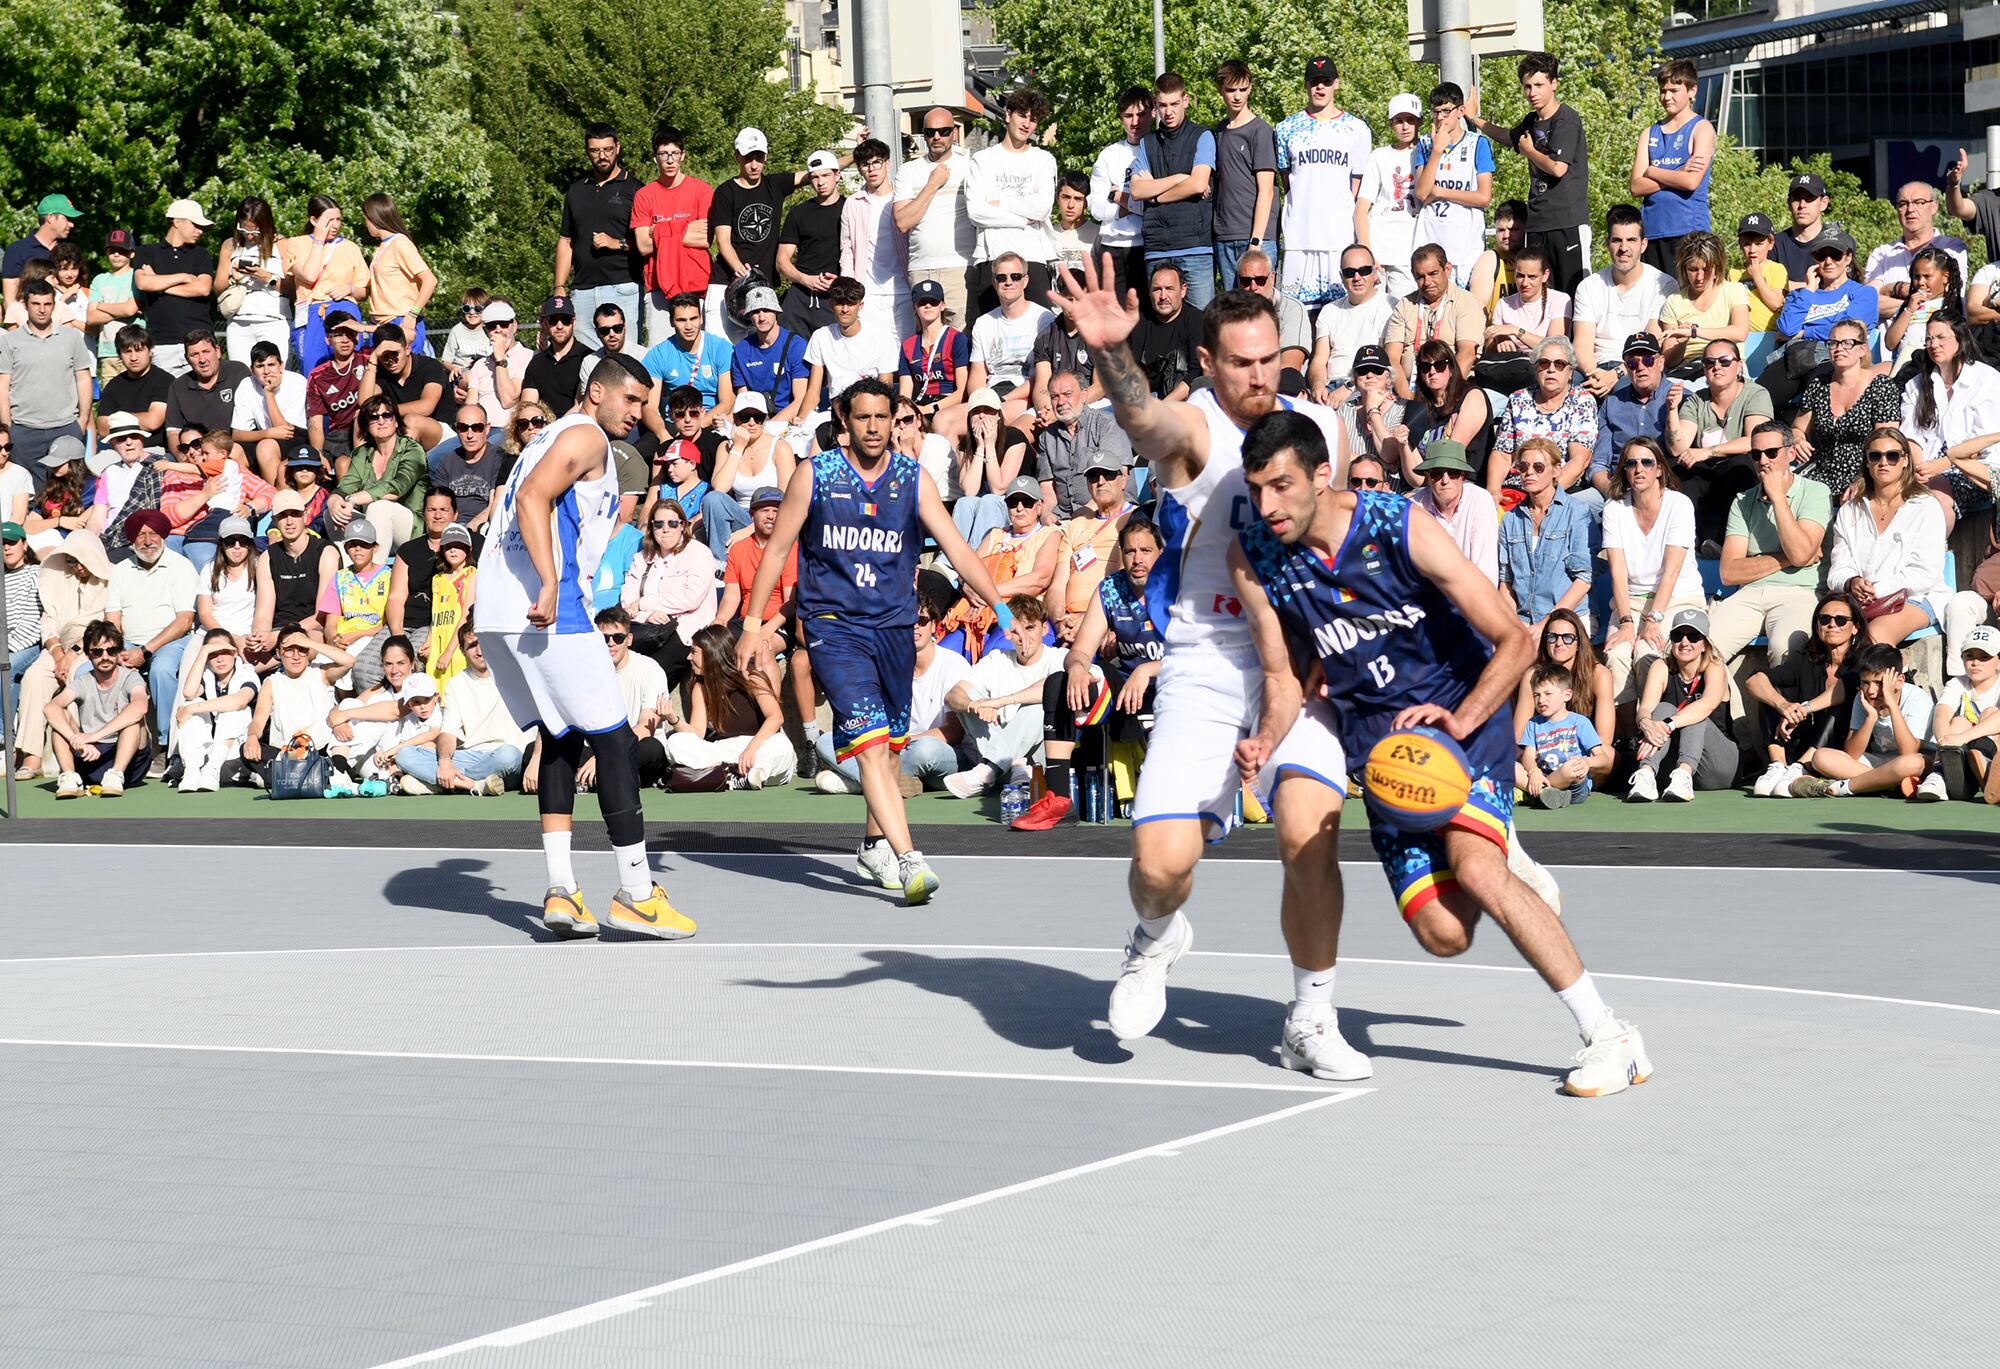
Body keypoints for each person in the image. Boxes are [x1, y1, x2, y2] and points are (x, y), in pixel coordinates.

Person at [1229, 407, 1641, 1093]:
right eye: (1256, 489)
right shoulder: (1259, 554)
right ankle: (1495, 850)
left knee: (1477, 871)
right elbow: (1284, 673)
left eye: (1282, 486)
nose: (1267, 505)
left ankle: (1609, 1033)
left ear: (1323, 475)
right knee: (1444, 934)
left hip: (1461, 722)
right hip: (1388, 759)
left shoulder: (1398, 526)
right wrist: (1266, 739)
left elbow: (1516, 638)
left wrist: (1463, 714)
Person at [1051, 262, 1363, 1072]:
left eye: (1268, 359)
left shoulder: (1320, 425)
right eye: (1240, 362)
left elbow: (1349, 540)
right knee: (1159, 866)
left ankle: (1311, 1017)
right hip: (1208, 659)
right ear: (1209, 362)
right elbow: (1145, 421)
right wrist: (1115, 355)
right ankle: (1155, 936)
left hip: (1299, 660)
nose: (1258, 374)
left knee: (1308, 834)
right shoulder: (1197, 429)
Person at [737, 378, 1013, 903]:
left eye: (881, 418)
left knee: (888, 749)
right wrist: (753, 627)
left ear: (895, 421)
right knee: (867, 743)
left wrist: (1000, 606)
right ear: (845, 418)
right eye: (861, 417)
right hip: (833, 627)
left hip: (892, 629)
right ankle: (910, 857)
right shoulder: (815, 474)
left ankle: (871, 845)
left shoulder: (913, 479)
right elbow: (775, 552)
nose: (872, 427)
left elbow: (957, 547)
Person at [477, 349, 694, 935]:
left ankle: (561, 891)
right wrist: (550, 582)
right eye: (631, 399)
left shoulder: (544, 436)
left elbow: (518, 502)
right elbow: (530, 500)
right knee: (618, 742)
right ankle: (636, 892)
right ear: (595, 392)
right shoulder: (587, 438)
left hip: (497, 610)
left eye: (645, 404)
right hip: (549, 611)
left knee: (561, 736)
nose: (637, 412)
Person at [1012, 513, 1168, 829]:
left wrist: (1148, 670)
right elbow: (1081, 649)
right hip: (1126, 695)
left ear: (1160, 554)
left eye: (1146, 551)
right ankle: (1059, 800)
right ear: (1121, 555)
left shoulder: (1178, 588)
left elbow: (1197, 656)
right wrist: (1079, 668)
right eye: (1130, 551)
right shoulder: (1110, 588)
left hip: (1174, 688)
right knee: (1059, 681)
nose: (1137, 559)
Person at [1828, 427, 1986, 660]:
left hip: (1918, 596)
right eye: (1875, 456)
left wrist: (1877, 589)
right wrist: (1852, 582)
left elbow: (1924, 575)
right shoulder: (1851, 510)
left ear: (1905, 461)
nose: (1884, 462)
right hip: (1862, 598)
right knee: (1829, 634)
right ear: (1867, 463)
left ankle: (1889, 692)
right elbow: (1838, 569)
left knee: (1875, 635)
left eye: (1892, 456)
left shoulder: (1925, 506)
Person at [815, 583, 970, 797]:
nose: (915, 627)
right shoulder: (888, 664)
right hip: (896, 749)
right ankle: (895, 783)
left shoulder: (953, 663)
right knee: (827, 741)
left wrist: (905, 743)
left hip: (941, 752)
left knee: (925, 750)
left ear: (934, 625)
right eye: (908, 622)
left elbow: (954, 732)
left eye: (922, 621)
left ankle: (862, 782)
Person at [1710, 422, 1830, 681]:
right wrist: (1791, 558)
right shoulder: (1743, 501)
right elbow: (1729, 572)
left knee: (1786, 650)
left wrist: (1777, 498)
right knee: (1704, 648)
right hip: (1750, 593)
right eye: (1756, 454)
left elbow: (1801, 551)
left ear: (1791, 453)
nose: (1763, 460)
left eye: (1771, 453)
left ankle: (1785, 715)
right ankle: (1722, 716)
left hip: (1799, 592)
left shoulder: (1816, 492)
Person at [1466, 53, 1589, 294]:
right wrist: (1474, 119)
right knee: (1537, 293)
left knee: (1573, 292)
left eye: (1539, 85)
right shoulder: (1531, 121)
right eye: (1527, 86)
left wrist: (1530, 151)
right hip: (1537, 223)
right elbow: (1509, 137)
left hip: (1567, 222)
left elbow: (1557, 168)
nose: (1532, 92)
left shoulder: (1567, 119)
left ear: (1554, 84)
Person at [1601, 436, 1705, 699]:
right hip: (1632, 602)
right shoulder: (1614, 507)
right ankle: (1626, 737)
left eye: (1647, 462)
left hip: (1677, 600)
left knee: (1648, 653)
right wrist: (1626, 622)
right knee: (1616, 656)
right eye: (1631, 463)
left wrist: (1653, 620)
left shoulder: (1678, 504)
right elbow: (1618, 571)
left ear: (1659, 468)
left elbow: (1671, 572)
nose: (1639, 469)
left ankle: (1651, 728)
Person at [940, 594, 1064, 796]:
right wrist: (975, 705)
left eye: (1030, 628)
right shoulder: (998, 659)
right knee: (966, 699)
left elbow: (1053, 686)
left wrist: (998, 702)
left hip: (1039, 755)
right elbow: (953, 695)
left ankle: (988, 770)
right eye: (1015, 631)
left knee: (1038, 704)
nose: (1023, 637)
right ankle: (1012, 763)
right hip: (1012, 759)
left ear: (1045, 628)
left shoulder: (1059, 657)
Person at [1744, 588, 1863, 797]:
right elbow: (1755, 680)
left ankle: (1802, 766)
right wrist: (1784, 706)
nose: (1832, 624)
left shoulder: (1863, 659)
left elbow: (1846, 688)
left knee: (1845, 703)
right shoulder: (1806, 659)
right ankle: (1778, 766)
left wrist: (1804, 709)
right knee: (1772, 693)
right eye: (1824, 619)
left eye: (1841, 620)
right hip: (1799, 740)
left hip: (1841, 748)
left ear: (1855, 627)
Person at [1274, 55, 1371, 308]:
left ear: (1336, 84)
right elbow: (1288, 181)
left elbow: (1356, 185)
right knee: (1296, 314)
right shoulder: (1285, 128)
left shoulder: (1357, 128)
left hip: (1338, 236)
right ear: (1306, 85)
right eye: (1314, 81)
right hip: (1299, 237)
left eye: (1326, 81)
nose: (1320, 87)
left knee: (1340, 312)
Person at [1789, 641, 1935, 799]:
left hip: (1917, 760)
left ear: (1899, 681)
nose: (1871, 691)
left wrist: (1892, 706)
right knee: (1820, 757)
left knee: (1911, 763)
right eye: (1865, 683)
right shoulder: (1862, 697)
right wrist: (1870, 718)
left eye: (1879, 683)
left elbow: (1909, 752)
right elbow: (1852, 753)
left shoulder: (1917, 698)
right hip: (1883, 763)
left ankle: (1844, 787)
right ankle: (1891, 785)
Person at [104, 508, 198, 753]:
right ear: (132, 539)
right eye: (140, 535)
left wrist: (145, 651)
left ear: (163, 535)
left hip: (173, 641)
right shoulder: (121, 570)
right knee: (88, 669)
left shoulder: (181, 566)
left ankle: (166, 745)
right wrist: (118, 650)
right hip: (129, 643)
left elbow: (185, 621)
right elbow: (112, 619)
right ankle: (104, 743)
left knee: (162, 670)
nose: (147, 541)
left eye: (153, 533)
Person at [664, 622, 797, 788]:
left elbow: (776, 717)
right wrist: (674, 719)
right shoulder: (700, 686)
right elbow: (697, 733)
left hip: (759, 745)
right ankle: (731, 776)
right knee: (676, 742)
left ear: (711, 654)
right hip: (724, 751)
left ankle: (735, 776)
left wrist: (751, 749)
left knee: (782, 746)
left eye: (694, 652)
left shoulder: (751, 677)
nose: (688, 658)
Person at [1668, 337, 1773, 545]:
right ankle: (1686, 542)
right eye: (1709, 362)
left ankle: (1731, 542)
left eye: (1725, 361)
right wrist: (1672, 410)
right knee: (1678, 467)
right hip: (1707, 472)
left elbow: (1755, 441)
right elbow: (1678, 447)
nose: (1717, 367)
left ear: (1738, 365)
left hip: (1737, 469)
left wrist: (1708, 452)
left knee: (1740, 465)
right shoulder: (1697, 400)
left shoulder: (1756, 394)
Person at [705, 127, 806, 341]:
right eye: (748, 158)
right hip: (727, 283)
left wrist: (856, 154)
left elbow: (817, 171)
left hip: (762, 287)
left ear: (766, 157)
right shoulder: (725, 192)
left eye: (759, 158)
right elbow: (723, 242)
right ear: (737, 157)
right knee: (720, 353)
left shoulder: (774, 185)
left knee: (758, 352)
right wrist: (743, 273)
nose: (754, 164)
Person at [1127, 72, 1218, 309]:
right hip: (1157, 248)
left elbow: (1198, 184)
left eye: (1175, 104)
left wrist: (1156, 195)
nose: (1169, 112)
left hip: (1195, 247)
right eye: (1163, 105)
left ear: (1185, 101)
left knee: (1202, 324)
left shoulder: (1202, 136)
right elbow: (1136, 190)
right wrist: (1180, 179)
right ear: (1155, 106)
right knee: (1161, 326)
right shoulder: (1148, 142)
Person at [1764, 228, 1879, 412]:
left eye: (1835, 255)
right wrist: (1809, 288)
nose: (1828, 261)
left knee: (1818, 398)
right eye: (1821, 255)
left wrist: (1804, 332)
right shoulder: (1801, 295)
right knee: (1761, 399)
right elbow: (1786, 330)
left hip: (1832, 357)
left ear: (1848, 258)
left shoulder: (1863, 293)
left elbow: (1847, 332)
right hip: (1794, 356)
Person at [965, 88, 1059, 314]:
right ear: (1008, 115)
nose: (1027, 124)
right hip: (990, 258)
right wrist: (1022, 219)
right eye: (1022, 115)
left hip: (1033, 258)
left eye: (1033, 119)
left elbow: (1042, 207)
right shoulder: (983, 160)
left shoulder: (1043, 160)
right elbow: (976, 212)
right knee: (992, 334)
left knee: (1041, 332)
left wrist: (999, 202)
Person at [1900, 312, 2000, 524]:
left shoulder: (1987, 380)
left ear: (1959, 339)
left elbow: (1983, 443)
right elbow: (1911, 435)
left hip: (1974, 469)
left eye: (1940, 337)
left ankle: (1929, 554)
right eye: (1928, 339)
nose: (1933, 344)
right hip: (1924, 468)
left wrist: (1941, 466)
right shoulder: (1916, 385)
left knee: (1936, 495)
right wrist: (1920, 468)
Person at [1626, 607, 1734, 801]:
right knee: (1662, 708)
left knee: (1694, 713)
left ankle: (1684, 774)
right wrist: (1646, 724)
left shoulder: (1714, 666)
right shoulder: (1661, 667)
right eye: (1678, 636)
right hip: (1670, 767)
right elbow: (1645, 709)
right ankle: (1647, 774)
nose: (1685, 642)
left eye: (1693, 637)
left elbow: (1707, 705)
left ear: (1705, 644)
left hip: (1717, 765)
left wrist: (1667, 724)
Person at [407, 626, 528, 794]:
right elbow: (448, 733)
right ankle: (473, 785)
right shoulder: (455, 684)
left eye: (483, 643)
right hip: (471, 757)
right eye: (472, 645)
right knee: (405, 755)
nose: (479, 651)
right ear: (462, 650)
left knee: (508, 755)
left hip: (508, 759)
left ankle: (442, 784)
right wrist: (444, 762)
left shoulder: (515, 673)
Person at [1790, 318, 1903, 498]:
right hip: (1822, 470)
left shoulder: (1881, 386)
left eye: (1847, 343)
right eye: (1833, 343)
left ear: (1862, 349)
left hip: (1866, 473)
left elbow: (1886, 442)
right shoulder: (1819, 384)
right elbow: (1797, 427)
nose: (1839, 348)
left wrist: (1864, 480)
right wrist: (1797, 440)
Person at [1571, 205, 1674, 398]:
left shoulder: (1663, 285)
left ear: (1643, 244)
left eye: (1631, 240)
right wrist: (1594, 376)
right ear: (1607, 243)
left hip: (1636, 367)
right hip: (1594, 368)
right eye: (1617, 240)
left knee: (1628, 389)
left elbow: (1650, 345)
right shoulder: (1588, 286)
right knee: (1566, 386)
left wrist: (1616, 374)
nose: (1624, 248)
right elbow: (1582, 343)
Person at [553, 124, 640, 352]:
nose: (602, 156)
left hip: (624, 286)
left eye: (608, 149)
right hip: (582, 290)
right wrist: (560, 287)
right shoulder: (575, 191)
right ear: (587, 151)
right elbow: (566, 241)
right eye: (595, 150)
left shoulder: (636, 189)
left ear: (618, 148)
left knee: (626, 358)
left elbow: (648, 242)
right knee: (587, 360)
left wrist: (615, 243)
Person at [629, 126, 714, 350]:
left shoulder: (702, 191)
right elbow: (643, 245)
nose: (669, 160)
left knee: (699, 351)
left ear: (683, 155)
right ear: (655, 157)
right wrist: (687, 229)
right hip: (658, 287)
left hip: (696, 285)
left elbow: (706, 238)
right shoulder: (644, 195)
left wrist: (659, 230)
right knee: (660, 353)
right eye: (663, 154)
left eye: (674, 153)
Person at [47, 618, 152, 797]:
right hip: (90, 756)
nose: (105, 657)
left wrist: (94, 736)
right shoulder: (82, 681)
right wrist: (76, 739)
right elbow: (51, 708)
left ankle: (115, 775)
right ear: (88, 655)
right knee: (59, 721)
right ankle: (69, 777)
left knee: (134, 721)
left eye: (111, 650)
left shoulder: (131, 678)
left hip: (127, 762)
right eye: (97, 652)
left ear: (119, 652)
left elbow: (140, 707)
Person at [1, 276, 96, 472]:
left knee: (68, 494)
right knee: (29, 495)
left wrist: (82, 421)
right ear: (25, 305)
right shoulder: (10, 341)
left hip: (66, 427)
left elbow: (83, 379)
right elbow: (3, 385)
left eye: (47, 304)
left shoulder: (71, 338)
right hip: (24, 430)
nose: (42, 309)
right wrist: (8, 426)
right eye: (36, 304)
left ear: (54, 306)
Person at [620, 494, 717, 686]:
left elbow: (691, 598)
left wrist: (643, 603)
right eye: (659, 524)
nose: (665, 530)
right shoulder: (642, 557)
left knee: (651, 678)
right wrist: (646, 615)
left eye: (672, 523)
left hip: (685, 631)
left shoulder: (698, 552)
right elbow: (627, 600)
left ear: (682, 525)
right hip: (648, 627)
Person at [238, 630, 354, 789]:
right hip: (288, 754)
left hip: (321, 750)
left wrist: (310, 643)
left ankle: (288, 778)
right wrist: (252, 737)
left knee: (345, 736)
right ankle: (320, 778)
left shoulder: (321, 673)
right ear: (278, 653)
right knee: (246, 750)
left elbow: (348, 661)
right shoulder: (272, 682)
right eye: (289, 650)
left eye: (301, 649)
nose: (296, 656)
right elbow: (258, 720)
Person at [1498, 436, 1592, 630]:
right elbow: (1506, 581)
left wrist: (1546, 623)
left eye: (1538, 467)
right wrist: (1513, 625)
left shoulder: (1576, 512)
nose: (1529, 472)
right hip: (1523, 618)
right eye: (1523, 467)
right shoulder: (1510, 519)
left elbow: (1584, 579)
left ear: (1556, 470)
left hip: (1568, 616)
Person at [1630, 60, 1714, 273]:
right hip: (1652, 232)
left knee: (1686, 300)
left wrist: (1653, 171)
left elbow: (1691, 181)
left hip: (1688, 232)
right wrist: (1678, 171)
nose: (1667, 97)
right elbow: (1636, 187)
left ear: (1692, 90)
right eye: (1663, 91)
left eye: (1674, 90)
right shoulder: (1649, 133)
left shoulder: (1701, 128)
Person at [894, 109, 976, 325]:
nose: (937, 137)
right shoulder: (908, 170)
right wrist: (932, 184)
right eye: (930, 132)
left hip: (961, 267)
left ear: (954, 133)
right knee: (925, 343)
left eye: (944, 131)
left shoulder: (970, 167)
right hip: (922, 267)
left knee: (960, 340)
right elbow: (902, 222)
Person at [1513, 608, 1614, 777]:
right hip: (1542, 756)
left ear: (1579, 643)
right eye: (1552, 637)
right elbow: (1518, 737)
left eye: (1567, 638)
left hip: (1581, 758)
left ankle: (1550, 786)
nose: (1559, 643)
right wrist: (1532, 760)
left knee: (1608, 754)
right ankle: (1546, 788)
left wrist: (1580, 761)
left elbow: (1604, 740)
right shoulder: (1533, 675)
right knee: (1510, 756)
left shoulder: (1599, 674)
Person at [1412, 82, 1495, 288]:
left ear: (1460, 111)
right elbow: (1422, 192)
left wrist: (1440, 192)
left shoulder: (1478, 144)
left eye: (1446, 111)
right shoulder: (1425, 144)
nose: (1440, 117)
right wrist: (1437, 150)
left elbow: (1484, 197)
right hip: (1432, 240)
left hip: (1467, 246)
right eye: (1436, 112)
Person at [1492, 337, 1596, 497]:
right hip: (1517, 488)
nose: (1551, 369)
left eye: (1559, 364)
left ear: (1570, 373)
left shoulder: (1582, 401)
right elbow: (1502, 453)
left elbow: (1579, 461)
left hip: (1561, 489)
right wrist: (1493, 492)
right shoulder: (1519, 399)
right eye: (1544, 363)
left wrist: (1544, 495)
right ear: (1536, 370)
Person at [328, 395, 429, 553]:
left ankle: (375, 573)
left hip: (409, 529)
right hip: (371, 524)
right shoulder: (362, 453)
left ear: (396, 422)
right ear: (366, 425)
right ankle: (347, 568)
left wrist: (353, 499)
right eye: (373, 417)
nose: (381, 421)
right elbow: (346, 486)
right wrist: (334, 500)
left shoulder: (412, 450)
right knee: (332, 513)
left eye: (387, 415)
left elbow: (397, 488)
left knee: (379, 507)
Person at [1386, 340, 1493, 485]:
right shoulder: (1418, 409)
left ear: (1451, 369)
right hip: (1430, 487)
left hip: (1464, 483)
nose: (1432, 371)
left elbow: (1450, 455)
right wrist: (1403, 445)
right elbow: (1417, 480)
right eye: (1425, 367)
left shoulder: (1472, 396)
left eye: (1439, 365)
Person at [282, 196, 370, 373]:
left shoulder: (350, 247)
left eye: (338, 219)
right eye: (329, 220)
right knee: (312, 366)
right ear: (314, 220)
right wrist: (318, 242)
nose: (335, 225)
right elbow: (309, 275)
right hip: (311, 311)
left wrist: (349, 289)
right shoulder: (295, 244)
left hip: (345, 311)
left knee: (351, 368)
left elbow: (364, 292)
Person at [1383, 245, 1481, 401]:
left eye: (1433, 273)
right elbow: (1392, 357)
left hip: (1452, 392)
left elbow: (1467, 353)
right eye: (1420, 277)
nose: (1427, 282)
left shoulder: (1466, 302)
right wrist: (1406, 397)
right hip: (1408, 390)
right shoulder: (1405, 305)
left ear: (1447, 269)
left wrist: (1444, 395)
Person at [1211, 61, 1278, 292]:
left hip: (1256, 239)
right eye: (1231, 90)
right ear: (1220, 90)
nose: (1237, 96)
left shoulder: (1261, 131)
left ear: (1250, 88)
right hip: (1224, 236)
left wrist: (1256, 241)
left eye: (1243, 89)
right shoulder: (1218, 131)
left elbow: (1267, 190)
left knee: (1260, 310)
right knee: (1233, 312)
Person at [132, 199, 217, 376]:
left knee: (204, 399)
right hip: (163, 343)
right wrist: (183, 277)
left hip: (200, 342)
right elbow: (143, 283)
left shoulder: (201, 254)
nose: (200, 231)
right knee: (166, 401)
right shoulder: (147, 252)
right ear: (177, 222)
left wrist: (159, 283)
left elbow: (203, 288)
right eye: (195, 224)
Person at [1035, 370, 1133, 520]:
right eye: (1054, 397)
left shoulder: (1107, 425)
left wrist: (1084, 515)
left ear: (1084, 395)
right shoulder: (1046, 438)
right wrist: (1047, 513)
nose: (1061, 402)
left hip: (1109, 513)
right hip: (1064, 517)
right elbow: (1047, 487)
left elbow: (1116, 480)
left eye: (1067, 394)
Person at [840, 138, 911, 346]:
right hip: (868, 292)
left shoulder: (902, 199)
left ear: (887, 163)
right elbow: (847, 250)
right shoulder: (853, 203)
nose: (871, 169)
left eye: (877, 162)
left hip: (903, 289)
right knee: (872, 352)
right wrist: (850, 292)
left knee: (905, 354)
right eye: (865, 164)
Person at [797, 277, 897, 424]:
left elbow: (885, 385)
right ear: (831, 305)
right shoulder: (821, 336)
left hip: (870, 410)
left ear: (860, 305)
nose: (845, 309)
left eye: (850, 304)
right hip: (837, 412)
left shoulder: (882, 337)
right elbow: (813, 391)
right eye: (840, 303)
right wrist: (801, 420)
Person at [1865, 181, 1969, 318]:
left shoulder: (1952, 248)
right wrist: (1910, 297)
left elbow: (1950, 300)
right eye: (1903, 204)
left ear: (1934, 206)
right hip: (1890, 339)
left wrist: (1892, 289)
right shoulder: (1881, 254)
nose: (1910, 209)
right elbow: (1869, 303)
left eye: (1918, 202)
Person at [1355, 94, 1424, 299]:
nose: (1405, 127)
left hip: (1408, 252)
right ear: (1391, 124)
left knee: (1401, 314)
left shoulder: (1427, 153)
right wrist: (1367, 253)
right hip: (1378, 249)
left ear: (1419, 121)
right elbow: (1361, 209)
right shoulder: (1380, 156)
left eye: (1411, 120)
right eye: (1399, 121)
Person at [1088, 86, 1154, 303]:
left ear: (1153, 113)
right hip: (1112, 247)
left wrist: (1119, 196)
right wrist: (1133, 204)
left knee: (1147, 316)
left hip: (1148, 245)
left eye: (1141, 114)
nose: (1135, 122)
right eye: (1128, 115)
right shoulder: (1108, 155)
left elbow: (1158, 204)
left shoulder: (1161, 151)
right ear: (1121, 118)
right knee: (1114, 319)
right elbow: (1096, 208)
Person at [1476, 244, 1569, 396]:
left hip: (1545, 370)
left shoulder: (1560, 300)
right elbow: (1489, 348)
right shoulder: (1504, 304)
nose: (1525, 283)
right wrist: (1500, 340)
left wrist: (1516, 331)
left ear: (1545, 275)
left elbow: (1554, 346)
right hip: (1510, 370)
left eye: (1532, 277)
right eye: (1520, 276)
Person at [171, 630, 258, 792]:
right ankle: (191, 772)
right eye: (213, 653)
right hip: (205, 756)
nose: (219, 659)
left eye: (225, 652)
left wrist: (191, 709)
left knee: (234, 710)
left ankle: (213, 770)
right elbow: (189, 692)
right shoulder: (207, 677)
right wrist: (203, 652)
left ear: (235, 653)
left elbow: (240, 701)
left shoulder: (247, 673)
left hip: (237, 759)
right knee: (192, 702)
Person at [1922, 623, 2000, 802]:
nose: (1975, 663)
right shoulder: (1957, 684)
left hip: (1994, 747)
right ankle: (1941, 773)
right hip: (1963, 751)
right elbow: (1941, 713)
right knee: (1957, 722)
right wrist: (1944, 743)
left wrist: (1962, 738)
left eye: (1985, 657)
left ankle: (1988, 767)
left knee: (1991, 713)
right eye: (1969, 656)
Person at [1654, 232, 1750, 377]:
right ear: (1684, 270)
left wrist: (1694, 332)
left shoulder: (1734, 291)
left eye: (1706, 270)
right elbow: (1669, 361)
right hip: (1687, 369)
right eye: (1693, 270)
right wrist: (1682, 342)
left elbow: (1740, 332)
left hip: (1726, 364)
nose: (1699, 277)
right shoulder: (1674, 302)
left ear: (1717, 268)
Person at [1589, 332, 1672, 497]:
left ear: (1661, 362)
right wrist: (1614, 495)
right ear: (1626, 368)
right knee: (1574, 509)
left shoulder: (1681, 398)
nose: (1641, 367)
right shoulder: (1612, 403)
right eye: (1633, 363)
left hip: (1663, 488)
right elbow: (1598, 464)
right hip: (1617, 486)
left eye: (1648, 360)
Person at [1307, 246, 1394, 404]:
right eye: (1349, 272)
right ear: (1341, 276)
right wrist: (1318, 386)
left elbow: (1386, 365)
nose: (1357, 277)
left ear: (1375, 272)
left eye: (1364, 270)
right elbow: (1319, 361)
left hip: (1368, 387)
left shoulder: (1390, 306)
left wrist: (1350, 387)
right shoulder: (1329, 310)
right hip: (1330, 387)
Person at [776, 150, 847, 340]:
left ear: (837, 176)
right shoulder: (799, 213)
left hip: (837, 297)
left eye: (825, 175)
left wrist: (842, 282)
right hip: (799, 299)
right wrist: (806, 279)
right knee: (790, 357)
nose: (820, 182)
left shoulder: (851, 209)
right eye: (815, 177)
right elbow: (782, 261)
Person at [1518, 664, 1610, 810]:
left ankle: (1536, 793)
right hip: (1542, 776)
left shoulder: (1579, 722)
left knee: (1571, 768)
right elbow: (1528, 756)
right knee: (1510, 766)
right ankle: (1544, 793)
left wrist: (1587, 762)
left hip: (1573, 787)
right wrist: (1533, 772)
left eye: (1548, 694)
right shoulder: (1533, 723)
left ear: (1566, 695)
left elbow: (1603, 758)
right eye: (1537, 695)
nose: (1541, 700)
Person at [253, 490, 336, 651]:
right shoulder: (267, 557)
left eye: (295, 514)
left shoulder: (326, 553)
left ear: (305, 516)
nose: (289, 521)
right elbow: (263, 614)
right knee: (240, 647)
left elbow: (321, 617)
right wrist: (260, 636)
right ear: (274, 521)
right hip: (276, 631)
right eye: (283, 516)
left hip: (311, 631)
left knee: (299, 645)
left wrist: (280, 636)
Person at [948, 388, 1030, 548]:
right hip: (982, 510)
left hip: (1014, 506)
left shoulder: (1015, 437)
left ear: (998, 415)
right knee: (965, 503)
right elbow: (969, 491)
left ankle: (976, 558)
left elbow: (999, 489)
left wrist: (990, 445)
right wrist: (979, 447)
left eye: (988, 411)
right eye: (976, 411)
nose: (982, 416)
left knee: (990, 500)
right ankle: (949, 561)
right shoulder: (965, 445)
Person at [1407, 439, 1499, 583]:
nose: (1445, 480)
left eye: (1453, 473)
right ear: (1428, 477)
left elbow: (1486, 570)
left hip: (1472, 595)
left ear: (1463, 476)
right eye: (1437, 474)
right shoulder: (1415, 505)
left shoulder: (1480, 500)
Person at [642, 292, 734, 430]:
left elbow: (727, 402)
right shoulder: (658, 354)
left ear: (701, 318)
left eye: (693, 318)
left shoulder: (721, 348)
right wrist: (663, 436)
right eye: (681, 320)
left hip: (710, 422)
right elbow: (649, 408)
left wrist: (696, 426)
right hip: (673, 424)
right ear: (671, 321)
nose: (689, 326)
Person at [319, 520, 393, 690]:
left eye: (364, 544)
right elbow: (331, 623)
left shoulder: (389, 576)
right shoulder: (339, 578)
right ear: (346, 549)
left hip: (372, 636)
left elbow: (387, 623)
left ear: (375, 548)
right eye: (353, 545)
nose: (358, 549)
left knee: (345, 665)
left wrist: (358, 635)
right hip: (343, 638)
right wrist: (333, 638)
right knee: (318, 665)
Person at [216, 196, 290, 365]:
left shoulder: (283, 244)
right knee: (241, 376)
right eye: (244, 230)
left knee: (275, 374)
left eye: (255, 231)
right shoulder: (230, 245)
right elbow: (218, 288)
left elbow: (294, 289)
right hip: (238, 321)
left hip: (274, 320)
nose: (249, 237)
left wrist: (267, 277)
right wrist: (235, 279)